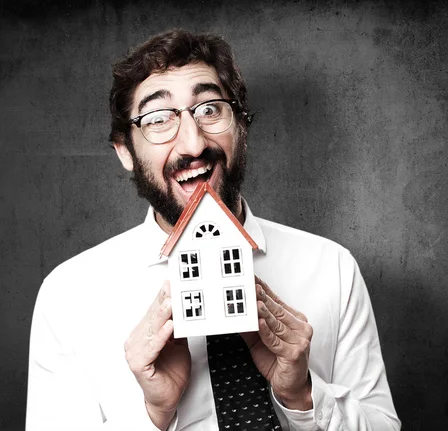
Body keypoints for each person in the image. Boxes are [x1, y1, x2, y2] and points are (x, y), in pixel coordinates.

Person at [26, 29, 400, 431]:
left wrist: (304, 395)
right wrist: (153, 414)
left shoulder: (332, 269)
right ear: (125, 153)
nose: (192, 143)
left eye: (209, 109)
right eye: (158, 119)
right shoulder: (67, 296)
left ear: (241, 126)